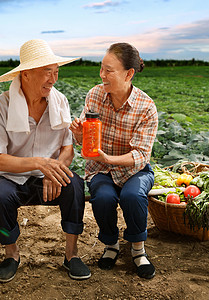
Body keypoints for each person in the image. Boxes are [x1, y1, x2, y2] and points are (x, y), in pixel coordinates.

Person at [0, 39, 90, 283]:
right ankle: (11, 255)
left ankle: (71, 255)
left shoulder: (59, 101)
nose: (53, 79)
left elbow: (67, 148)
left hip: (49, 179)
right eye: (46, 72)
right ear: (26, 74)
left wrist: (55, 170)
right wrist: (39, 163)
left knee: (75, 185)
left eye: (56, 72)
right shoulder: (0, 106)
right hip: (12, 179)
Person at [69, 42, 158, 279]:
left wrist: (109, 157)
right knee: (104, 197)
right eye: (101, 68)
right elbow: (84, 141)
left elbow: (140, 155)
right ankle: (111, 245)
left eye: (109, 70)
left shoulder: (146, 107)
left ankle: (138, 249)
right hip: (100, 169)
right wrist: (78, 132)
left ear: (129, 74)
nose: (102, 75)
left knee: (133, 196)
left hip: (135, 170)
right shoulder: (95, 95)